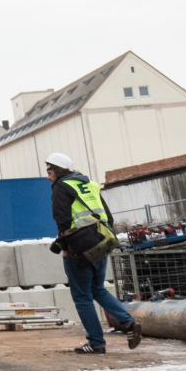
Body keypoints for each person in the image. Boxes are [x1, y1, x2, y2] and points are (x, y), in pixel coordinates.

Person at [45, 152, 142, 355]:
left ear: (58, 170)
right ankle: (128, 322)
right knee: (98, 288)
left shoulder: (60, 187)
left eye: (49, 171)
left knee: (82, 296)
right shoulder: (90, 184)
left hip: (78, 248)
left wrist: (65, 247)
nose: (48, 176)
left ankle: (96, 342)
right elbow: (108, 215)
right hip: (100, 242)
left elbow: (62, 220)